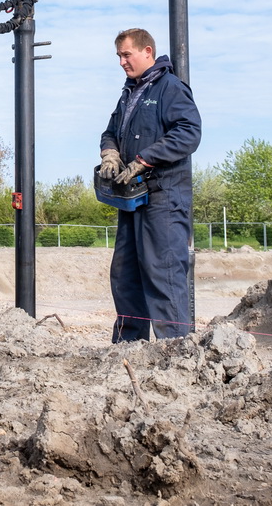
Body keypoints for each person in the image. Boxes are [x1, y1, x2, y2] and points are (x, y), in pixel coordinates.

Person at [99, 28, 201, 342]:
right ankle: (129, 348)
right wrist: (110, 151)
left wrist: (145, 159)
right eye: (118, 56)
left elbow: (189, 132)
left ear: (147, 52)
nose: (121, 62)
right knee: (125, 273)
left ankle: (175, 351)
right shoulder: (130, 93)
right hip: (132, 198)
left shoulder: (170, 88)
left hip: (164, 199)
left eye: (126, 54)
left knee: (164, 272)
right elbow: (110, 130)